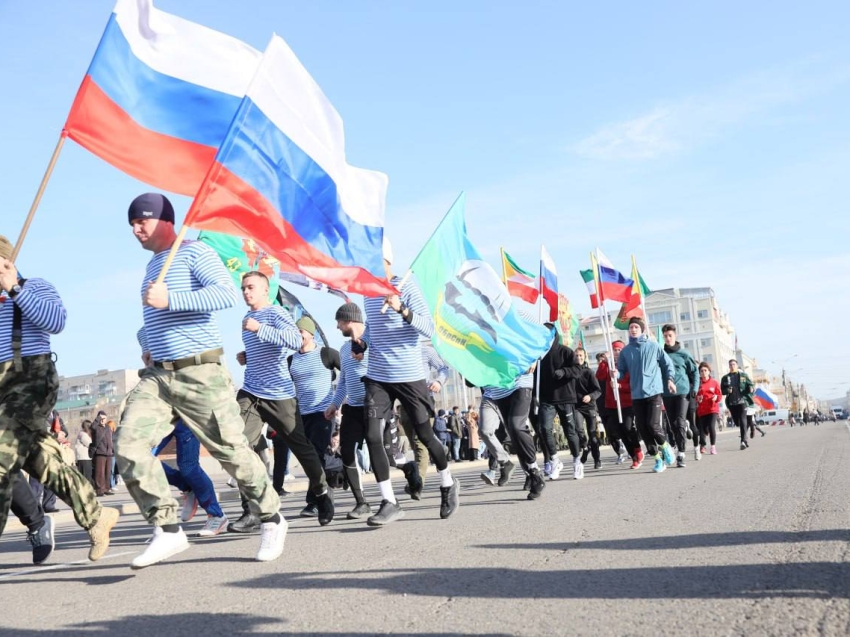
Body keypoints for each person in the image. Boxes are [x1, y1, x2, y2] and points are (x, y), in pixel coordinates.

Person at [116, 193, 284, 569]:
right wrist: (150, 346)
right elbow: (158, 319)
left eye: (141, 220)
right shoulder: (152, 266)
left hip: (200, 374)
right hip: (159, 375)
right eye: (131, 223)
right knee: (127, 445)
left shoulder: (194, 252)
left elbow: (226, 294)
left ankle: (272, 518)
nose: (135, 229)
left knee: (232, 453)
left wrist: (170, 298)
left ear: (165, 221)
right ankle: (168, 528)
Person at [0, 233, 119, 560]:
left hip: (29, 378)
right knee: (39, 460)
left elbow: (57, 321)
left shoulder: (33, 286)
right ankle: (96, 515)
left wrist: (15, 288)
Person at [351, 237, 459, 525]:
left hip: (410, 376)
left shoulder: (406, 285)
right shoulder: (367, 292)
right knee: (373, 436)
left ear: (387, 261)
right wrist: (363, 344)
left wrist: (402, 309)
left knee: (424, 436)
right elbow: (373, 327)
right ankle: (389, 502)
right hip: (378, 377)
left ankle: (447, 483)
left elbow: (428, 327)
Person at [231, 270, 332, 532]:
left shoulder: (276, 313)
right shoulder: (246, 317)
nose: (246, 292)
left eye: (251, 287)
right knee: (237, 446)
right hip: (251, 391)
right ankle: (251, 509)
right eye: (243, 288)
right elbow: (265, 352)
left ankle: (322, 493)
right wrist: (247, 357)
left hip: (279, 394)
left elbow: (293, 340)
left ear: (266, 290)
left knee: (301, 447)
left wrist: (261, 329)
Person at [287, 315, 340, 520]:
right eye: (295, 332)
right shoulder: (291, 360)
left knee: (316, 455)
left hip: (324, 413)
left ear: (310, 333)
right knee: (310, 457)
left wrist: (339, 401)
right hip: (302, 415)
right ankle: (338, 470)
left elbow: (350, 371)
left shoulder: (326, 354)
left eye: (300, 331)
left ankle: (315, 502)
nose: (298, 335)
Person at [325, 302, 372, 519]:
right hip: (352, 406)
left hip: (375, 406)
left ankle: (407, 472)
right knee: (347, 451)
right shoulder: (344, 349)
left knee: (381, 452)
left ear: (349, 320)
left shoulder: (372, 342)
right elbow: (342, 381)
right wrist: (335, 404)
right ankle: (361, 502)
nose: (337, 327)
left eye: (339, 322)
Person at [616, 317, 676, 474]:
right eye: (631, 327)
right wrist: (616, 375)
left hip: (653, 392)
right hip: (637, 395)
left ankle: (665, 446)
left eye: (636, 327)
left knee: (653, 425)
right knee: (643, 429)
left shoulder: (653, 346)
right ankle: (657, 459)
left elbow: (667, 364)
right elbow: (621, 372)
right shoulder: (626, 351)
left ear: (642, 329)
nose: (633, 329)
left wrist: (670, 380)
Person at [477, 369, 546, 499]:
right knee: (513, 435)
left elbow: (542, 347)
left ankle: (534, 471)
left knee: (516, 426)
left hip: (519, 383)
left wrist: (534, 359)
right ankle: (526, 471)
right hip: (496, 392)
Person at [153, 420, 229, 536]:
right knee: (139, 459)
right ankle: (188, 487)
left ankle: (216, 516)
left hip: (184, 417)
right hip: (157, 418)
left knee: (188, 467)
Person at [396, 340, 450, 492]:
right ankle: (438, 448)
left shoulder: (426, 350)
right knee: (417, 444)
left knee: (419, 442)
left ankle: (418, 483)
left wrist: (438, 382)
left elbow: (443, 369)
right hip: (404, 403)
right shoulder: (396, 351)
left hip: (424, 400)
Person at [537, 323, 584, 480]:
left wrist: (564, 372)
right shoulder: (539, 353)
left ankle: (577, 461)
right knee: (544, 429)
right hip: (546, 398)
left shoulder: (566, 351)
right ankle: (555, 460)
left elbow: (578, 370)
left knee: (570, 432)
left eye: (548, 332)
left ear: (554, 334)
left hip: (565, 397)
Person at [661, 325, 699, 468]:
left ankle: (681, 453)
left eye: (670, 335)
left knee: (679, 422)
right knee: (673, 426)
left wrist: (694, 388)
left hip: (683, 392)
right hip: (667, 393)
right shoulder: (661, 354)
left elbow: (694, 372)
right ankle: (683, 428)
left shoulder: (684, 354)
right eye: (665, 336)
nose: (668, 338)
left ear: (675, 336)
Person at [720, 359, 754, 450]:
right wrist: (727, 391)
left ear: (737, 365)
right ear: (729, 366)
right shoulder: (725, 378)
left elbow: (751, 385)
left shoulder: (743, 375)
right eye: (730, 365)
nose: (732, 366)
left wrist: (751, 388)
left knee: (743, 420)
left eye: (734, 364)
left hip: (742, 401)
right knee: (737, 422)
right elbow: (722, 391)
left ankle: (743, 441)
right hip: (731, 403)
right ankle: (746, 436)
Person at [696, 362, 721, 455]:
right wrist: (697, 398)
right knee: (702, 429)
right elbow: (695, 395)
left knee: (711, 426)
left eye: (705, 370)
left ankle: (713, 447)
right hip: (702, 410)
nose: (703, 372)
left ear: (709, 371)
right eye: (701, 371)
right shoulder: (698, 384)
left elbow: (719, 395)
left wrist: (716, 398)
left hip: (712, 409)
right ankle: (702, 445)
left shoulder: (714, 383)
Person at [90, 411, 114, 497]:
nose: (102, 420)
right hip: (100, 452)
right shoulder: (96, 427)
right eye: (101, 418)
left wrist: (112, 449)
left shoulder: (108, 427)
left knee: (108, 472)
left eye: (104, 418)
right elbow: (92, 427)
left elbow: (111, 439)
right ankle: (99, 490)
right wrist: (98, 419)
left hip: (109, 452)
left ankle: (106, 488)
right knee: (100, 473)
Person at [74, 420, 94, 486]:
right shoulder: (83, 435)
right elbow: (90, 444)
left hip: (83, 458)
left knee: (86, 476)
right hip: (84, 458)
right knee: (86, 476)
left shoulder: (82, 434)